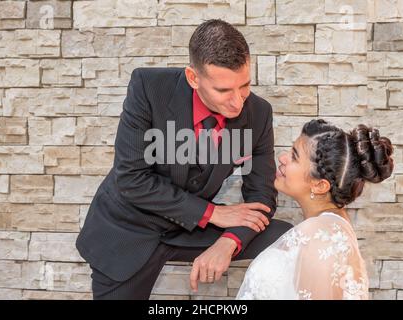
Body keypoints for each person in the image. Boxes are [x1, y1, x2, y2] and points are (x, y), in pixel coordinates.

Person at [76, 19, 292, 300]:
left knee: (287, 236)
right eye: (223, 91)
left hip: (190, 229)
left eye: (245, 85)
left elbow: (261, 194)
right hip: (129, 228)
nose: (238, 102)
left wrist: (229, 242)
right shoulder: (147, 87)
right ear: (193, 78)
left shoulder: (259, 113)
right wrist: (214, 213)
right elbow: (132, 179)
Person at [236, 119, 394, 300]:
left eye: (294, 156)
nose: (282, 158)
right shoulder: (331, 228)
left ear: (319, 186)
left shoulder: (320, 237)